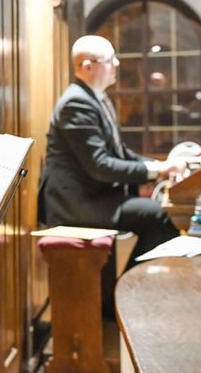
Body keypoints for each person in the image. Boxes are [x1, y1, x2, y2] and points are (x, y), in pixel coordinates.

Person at [37, 35, 183, 267]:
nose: (116, 64)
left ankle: (126, 290)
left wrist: (159, 168)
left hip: (93, 196)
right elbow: (101, 166)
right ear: (87, 67)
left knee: (160, 213)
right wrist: (156, 171)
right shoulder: (76, 104)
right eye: (110, 59)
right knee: (158, 215)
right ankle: (129, 290)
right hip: (75, 204)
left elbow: (119, 151)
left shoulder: (95, 98)